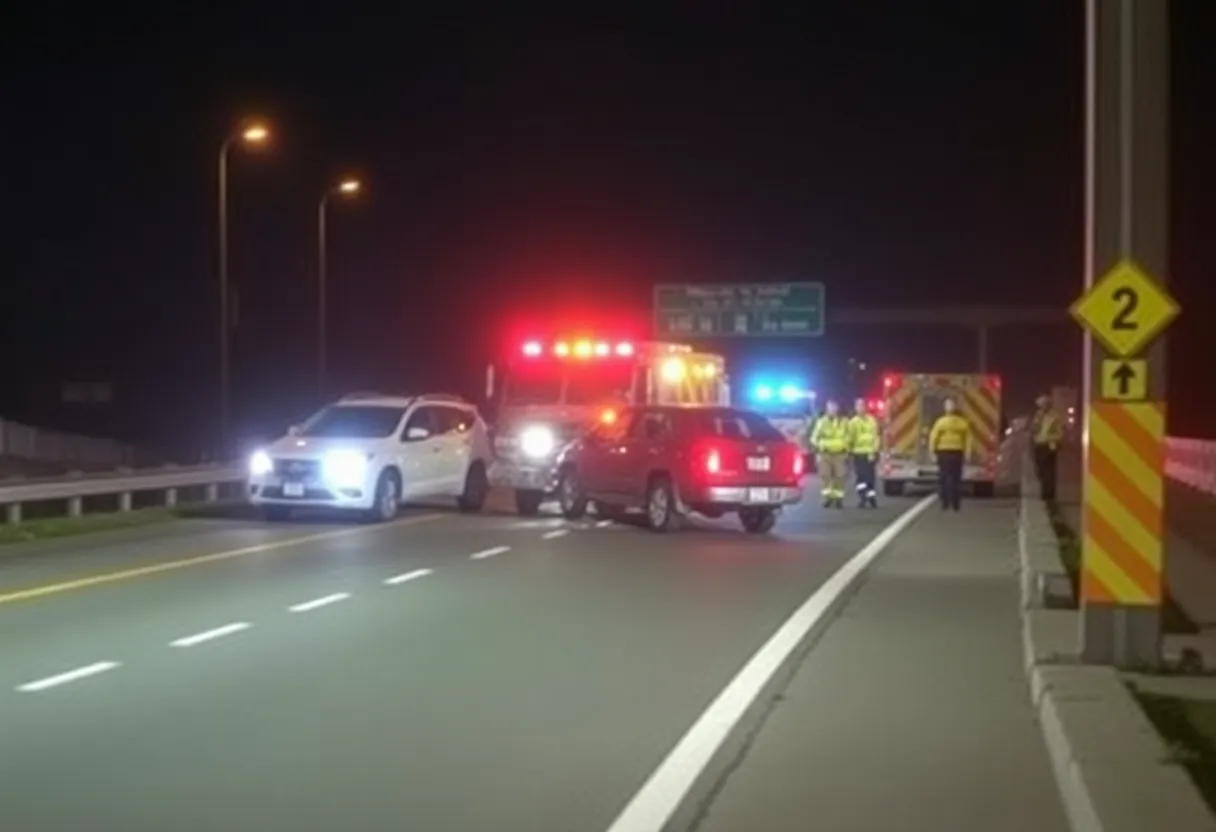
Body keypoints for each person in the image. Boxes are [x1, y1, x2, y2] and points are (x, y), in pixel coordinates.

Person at [929, 397, 969, 512]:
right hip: (957, 452)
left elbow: (933, 437)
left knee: (944, 477)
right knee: (956, 478)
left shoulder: (940, 422)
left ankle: (945, 503)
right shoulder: (962, 422)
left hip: (944, 452)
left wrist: (932, 451)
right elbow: (968, 438)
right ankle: (955, 504)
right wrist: (967, 452)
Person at [810, 399, 850, 508]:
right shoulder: (821, 422)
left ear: (837, 408)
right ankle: (828, 498)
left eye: (834, 407)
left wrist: (845, 447)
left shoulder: (844, 421)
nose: (832, 409)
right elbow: (814, 437)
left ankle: (839, 498)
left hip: (839, 453)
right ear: (827, 409)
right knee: (825, 475)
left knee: (840, 476)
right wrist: (819, 445)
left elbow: (849, 436)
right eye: (830, 407)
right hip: (825, 453)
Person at [847, 397, 881, 508]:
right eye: (859, 406)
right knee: (861, 477)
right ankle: (862, 497)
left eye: (863, 405)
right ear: (856, 408)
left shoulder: (872, 420)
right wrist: (849, 451)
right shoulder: (853, 422)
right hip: (859, 453)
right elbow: (850, 438)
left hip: (870, 453)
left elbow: (876, 436)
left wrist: (875, 450)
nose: (861, 408)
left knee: (870, 477)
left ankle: (871, 497)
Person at [1030, 394, 1064, 501]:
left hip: (1050, 446)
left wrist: (1052, 439)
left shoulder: (1054, 416)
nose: (1042, 407)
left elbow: (1060, 432)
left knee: (1048, 471)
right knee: (1040, 471)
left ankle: (1049, 494)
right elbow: (1034, 429)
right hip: (1039, 445)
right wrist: (1036, 423)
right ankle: (1045, 492)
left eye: (1044, 404)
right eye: (1041, 405)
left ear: (1048, 405)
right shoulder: (1038, 415)